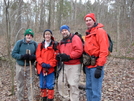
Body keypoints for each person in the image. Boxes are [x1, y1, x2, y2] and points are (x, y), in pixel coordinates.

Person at [83, 13, 109, 101]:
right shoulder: (88, 33)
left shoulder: (100, 32)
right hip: (88, 65)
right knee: (88, 88)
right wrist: (85, 63)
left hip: (96, 66)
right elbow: (87, 49)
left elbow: (104, 51)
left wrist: (100, 67)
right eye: (86, 21)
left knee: (95, 91)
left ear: (94, 20)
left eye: (90, 20)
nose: (88, 22)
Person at [56, 25, 83, 101]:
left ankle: (74, 99)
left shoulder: (75, 38)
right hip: (64, 65)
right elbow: (59, 51)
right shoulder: (61, 42)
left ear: (68, 30)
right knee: (61, 83)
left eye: (65, 30)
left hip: (74, 65)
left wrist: (69, 56)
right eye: (62, 31)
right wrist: (58, 56)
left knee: (73, 84)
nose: (64, 32)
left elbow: (79, 51)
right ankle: (65, 98)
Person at [11, 29, 37, 101]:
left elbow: (38, 55)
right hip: (20, 67)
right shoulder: (19, 43)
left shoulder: (34, 44)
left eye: (31, 35)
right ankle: (20, 99)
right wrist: (21, 56)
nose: (29, 36)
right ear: (25, 35)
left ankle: (31, 99)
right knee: (20, 84)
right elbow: (13, 54)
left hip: (30, 67)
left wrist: (33, 57)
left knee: (30, 85)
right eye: (28, 35)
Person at [36, 29, 58, 101]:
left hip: (50, 69)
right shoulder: (40, 45)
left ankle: (50, 98)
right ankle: (44, 98)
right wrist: (42, 63)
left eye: (48, 34)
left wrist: (50, 65)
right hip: (41, 68)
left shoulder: (55, 45)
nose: (47, 36)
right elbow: (38, 56)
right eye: (46, 34)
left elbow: (56, 57)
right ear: (44, 36)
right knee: (42, 84)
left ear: (51, 35)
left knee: (50, 85)